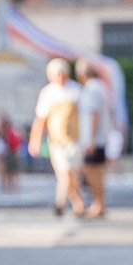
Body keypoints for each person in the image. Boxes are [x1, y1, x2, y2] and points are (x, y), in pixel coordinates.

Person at [29, 58, 85, 217]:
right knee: (64, 172)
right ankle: (62, 202)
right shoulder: (48, 93)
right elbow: (40, 119)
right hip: (56, 140)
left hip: (75, 139)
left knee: (72, 174)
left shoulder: (76, 90)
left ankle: (76, 203)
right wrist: (35, 141)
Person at [76, 59, 112, 217]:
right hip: (98, 138)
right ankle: (99, 203)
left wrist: (90, 139)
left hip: (94, 139)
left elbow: (94, 114)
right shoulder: (100, 87)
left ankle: (99, 203)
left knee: (92, 171)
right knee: (96, 172)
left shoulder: (93, 89)